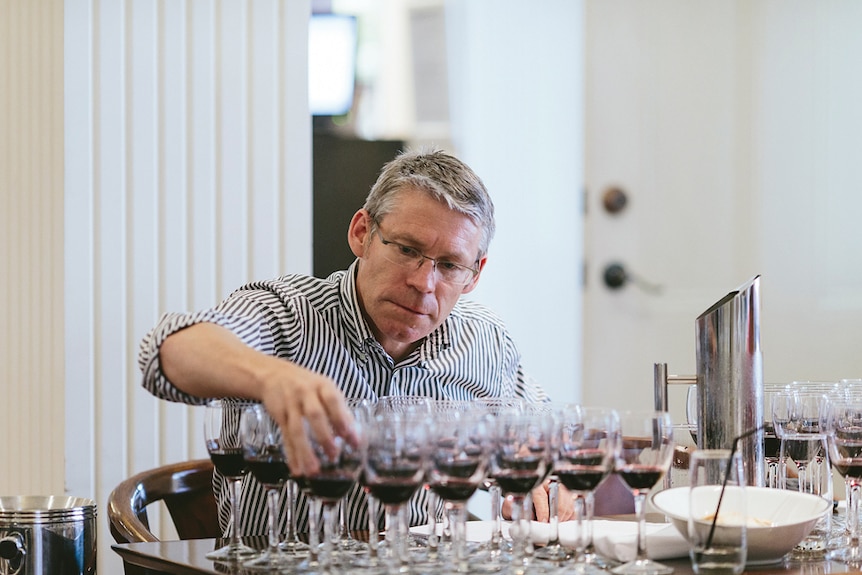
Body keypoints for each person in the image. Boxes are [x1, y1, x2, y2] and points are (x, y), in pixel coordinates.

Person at [138, 148, 575, 536]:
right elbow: (166, 351)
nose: (424, 283)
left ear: (475, 274)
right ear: (362, 233)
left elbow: (549, 440)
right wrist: (269, 377)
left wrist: (547, 480)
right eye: (406, 249)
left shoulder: (485, 343)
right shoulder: (289, 315)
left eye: (449, 265)